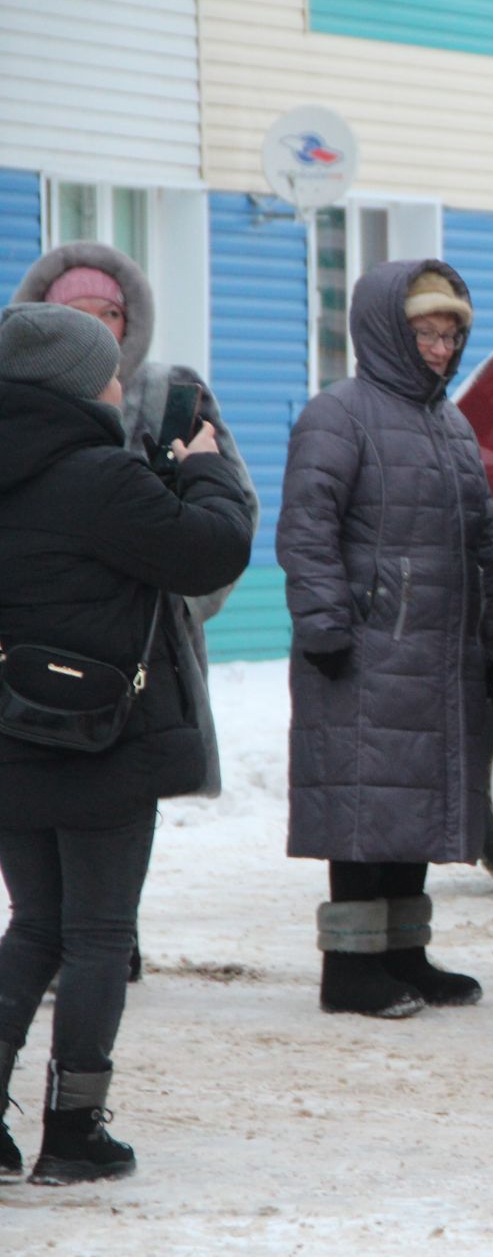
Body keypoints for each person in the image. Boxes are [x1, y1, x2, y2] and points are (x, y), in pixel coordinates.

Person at [0, 303, 251, 1184]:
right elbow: (209, 553)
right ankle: (74, 1133)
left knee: (34, 927)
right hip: (103, 736)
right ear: (75, 385)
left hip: (9, 736)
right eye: (108, 372)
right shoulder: (100, 478)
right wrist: (206, 471)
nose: (120, 384)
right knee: (99, 933)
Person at [278, 261, 493, 1020]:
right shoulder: (338, 415)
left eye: (451, 333)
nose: (442, 348)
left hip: (437, 652)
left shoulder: (448, 422)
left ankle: (404, 955)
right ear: (389, 328)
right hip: (359, 649)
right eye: (427, 332)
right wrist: (324, 625)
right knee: (363, 807)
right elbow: (307, 527)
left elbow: (484, 540)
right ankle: (350, 970)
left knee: (413, 803)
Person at [14, 243, 262, 979]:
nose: (98, 328)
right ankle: (71, 947)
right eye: (75, 316)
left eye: (109, 315)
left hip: (143, 645)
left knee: (120, 790)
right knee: (37, 787)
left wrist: (172, 599)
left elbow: (228, 511)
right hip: (30, 648)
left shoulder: (166, 393)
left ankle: (103, 938)